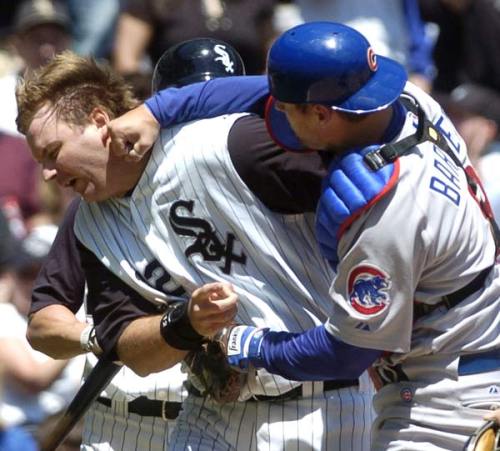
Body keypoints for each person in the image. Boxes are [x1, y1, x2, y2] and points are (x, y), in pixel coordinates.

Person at [103, 21, 500, 451]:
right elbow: (252, 92)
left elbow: (346, 352)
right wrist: (155, 111)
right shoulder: (404, 102)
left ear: (322, 113)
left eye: (290, 109)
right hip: (460, 353)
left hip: (447, 392)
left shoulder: (387, 211)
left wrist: (251, 344)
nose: (277, 113)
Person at [17, 50, 375, 450]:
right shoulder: (90, 223)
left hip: (320, 405)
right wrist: (183, 323)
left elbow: (342, 135)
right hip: (206, 414)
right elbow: (127, 345)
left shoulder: (227, 144)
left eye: (53, 153)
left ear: (100, 122)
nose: (47, 174)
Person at [26, 38, 244, 450]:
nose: (208, 120)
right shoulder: (90, 210)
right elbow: (42, 324)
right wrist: (102, 337)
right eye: (192, 106)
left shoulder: (243, 179)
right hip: (123, 419)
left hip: (217, 417)